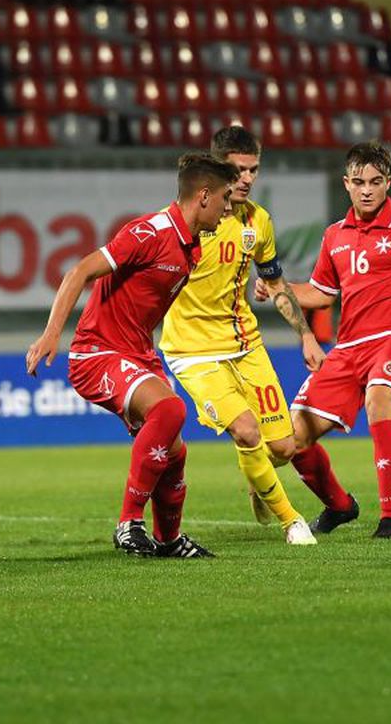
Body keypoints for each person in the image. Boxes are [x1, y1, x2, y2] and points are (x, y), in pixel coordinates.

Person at [26, 153, 236, 558]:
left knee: (175, 452)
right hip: (96, 352)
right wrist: (52, 334)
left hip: (137, 354)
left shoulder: (192, 247)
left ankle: (170, 540)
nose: (228, 209)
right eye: (226, 198)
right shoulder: (148, 232)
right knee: (171, 410)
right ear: (204, 196)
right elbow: (79, 272)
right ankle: (129, 524)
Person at [261, 141, 391, 539]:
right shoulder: (334, 235)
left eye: (375, 182)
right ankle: (339, 506)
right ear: (346, 184)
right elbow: (321, 293)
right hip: (348, 347)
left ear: (388, 183)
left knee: (380, 401)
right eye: (358, 182)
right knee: (294, 438)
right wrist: (277, 288)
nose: (367, 190)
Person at [160, 126, 318, 547]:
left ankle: (257, 477)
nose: (247, 178)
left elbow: (276, 284)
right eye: (238, 170)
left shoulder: (258, 222)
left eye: (254, 170)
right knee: (247, 432)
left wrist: (306, 336)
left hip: (246, 345)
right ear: (217, 170)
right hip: (193, 353)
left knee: (283, 446)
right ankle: (293, 521)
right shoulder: (186, 222)